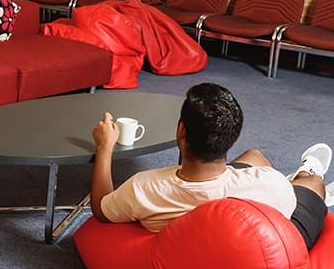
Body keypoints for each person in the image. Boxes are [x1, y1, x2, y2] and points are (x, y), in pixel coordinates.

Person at [91, 83, 330, 250]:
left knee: (254, 155)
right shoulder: (271, 183)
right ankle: (307, 172)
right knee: (311, 183)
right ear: (232, 135)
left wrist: (104, 148)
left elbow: (102, 210)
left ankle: (304, 175)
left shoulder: (144, 187)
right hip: (258, 227)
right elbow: (285, 218)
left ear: (181, 131)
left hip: (201, 217)